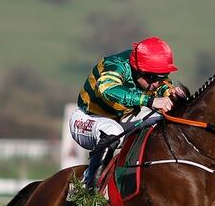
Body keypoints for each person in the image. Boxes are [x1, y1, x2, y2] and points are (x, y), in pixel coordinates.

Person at [69, 36, 186, 191]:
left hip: (121, 117)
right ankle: (90, 191)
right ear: (138, 71)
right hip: (88, 118)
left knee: (165, 119)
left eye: (163, 76)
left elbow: (160, 85)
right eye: (153, 78)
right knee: (112, 130)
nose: (158, 82)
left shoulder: (149, 74)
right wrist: (150, 101)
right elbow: (107, 89)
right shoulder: (115, 65)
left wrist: (170, 93)